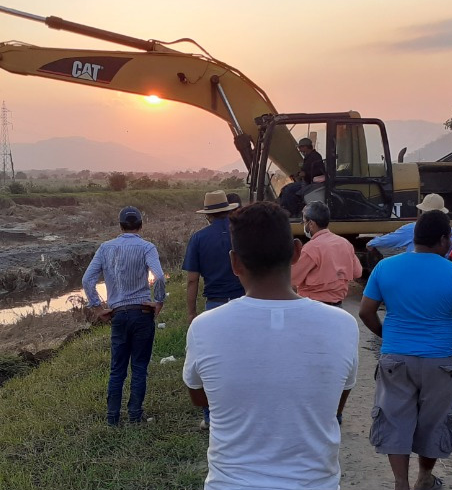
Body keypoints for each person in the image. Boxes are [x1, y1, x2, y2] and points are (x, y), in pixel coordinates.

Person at [183, 202, 359, 490]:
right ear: (297, 251)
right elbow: (335, 402)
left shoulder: (204, 327)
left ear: (234, 262)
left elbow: (200, 398)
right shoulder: (342, 325)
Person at [359, 210, 452, 490]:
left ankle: (401, 483)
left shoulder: (386, 268)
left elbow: (365, 312)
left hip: (395, 357)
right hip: (441, 360)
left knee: (394, 417)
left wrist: (389, 336)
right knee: (435, 421)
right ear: (443, 239)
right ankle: (424, 477)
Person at [82, 206, 166, 426]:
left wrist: (98, 308)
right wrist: (158, 302)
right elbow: (158, 277)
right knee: (139, 367)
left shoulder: (105, 248)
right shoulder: (147, 247)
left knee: (117, 368)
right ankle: (135, 416)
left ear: (120, 226)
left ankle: (112, 418)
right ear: (140, 225)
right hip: (142, 313)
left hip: (118, 314)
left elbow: (87, 280)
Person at [182, 190, 245, 430]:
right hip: (243, 301)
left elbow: (192, 280)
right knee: (242, 358)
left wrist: (191, 312)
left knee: (213, 363)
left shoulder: (198, 239)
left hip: (214, 305)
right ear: (228, 211)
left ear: (208, 215)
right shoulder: (242, 234)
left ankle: (211, 418)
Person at [291, 201, 362, 306]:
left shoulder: (311, 248)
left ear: (311, 224)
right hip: (338, 306)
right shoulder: (345, 243)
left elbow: (292, 277)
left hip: (312, 306)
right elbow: (357, 272)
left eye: (304, 222)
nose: (304, 225)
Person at [367, 193, 449, 255]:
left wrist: (372, 243)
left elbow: (392, 239)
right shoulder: (448, 232)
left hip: (416, 268)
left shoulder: (412, 228)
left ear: (423, 211)